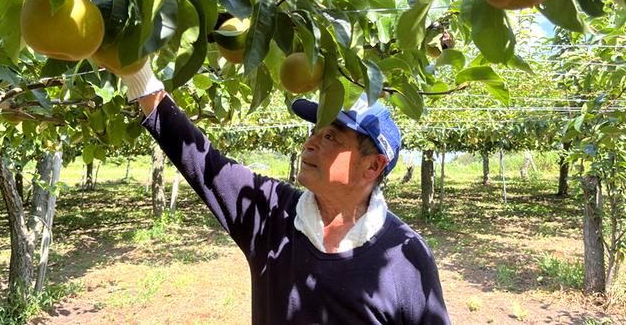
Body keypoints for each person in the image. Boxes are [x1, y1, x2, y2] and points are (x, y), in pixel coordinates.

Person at [110, 60, 450, 324]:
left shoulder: (405, 256)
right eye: (316, 130)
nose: (312, 142)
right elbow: (203, 163)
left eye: (331, 136)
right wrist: (138, 71)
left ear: (372, 167)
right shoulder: (271, 213)